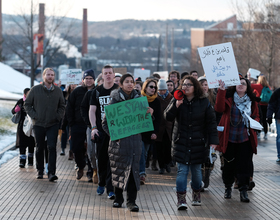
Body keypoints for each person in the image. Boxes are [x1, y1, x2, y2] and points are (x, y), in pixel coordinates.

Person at [164, 75, 218, 210]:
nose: (185, 87)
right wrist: (176, 106)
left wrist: (213, 141)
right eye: (184, 84)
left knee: (196, 172)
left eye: (189, 85)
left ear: (195, 87)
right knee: (182, 171)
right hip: (180, 141)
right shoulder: (177, 98)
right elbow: (167, 117)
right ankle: (181, 200)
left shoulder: (204, 102)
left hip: (198, 142)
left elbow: (211, 122)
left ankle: (196, 195)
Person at [102, 74, 144, 212]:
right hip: (118, 144)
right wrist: (115, 136)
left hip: (135, 143)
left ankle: (132, 201)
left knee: (133, 173)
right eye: (127, 82)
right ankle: (118, 199)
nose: (130, 84)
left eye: (132, 82)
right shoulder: (114, 99)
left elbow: (145, 122)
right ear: (121, 84)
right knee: (118, 171)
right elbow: (105, 123)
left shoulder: (139, 100)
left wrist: (149, 114)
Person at [215, 78, 259, 203]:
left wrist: (256, 123)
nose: (240, 85)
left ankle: (243, 191)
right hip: (229, 138)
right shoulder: (229, 98)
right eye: (238, 83)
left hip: (245, 138)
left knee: (244, 165)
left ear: (247, 87)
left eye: (243, 83)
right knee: (228, 165)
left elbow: (256, 115)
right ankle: (228, 188)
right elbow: (218, 108)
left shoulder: (251, 101)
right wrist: (221, 90)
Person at [24, 68, 65, 181]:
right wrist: (34, 115)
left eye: (52, 75)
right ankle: (40, 171)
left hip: (53, 124)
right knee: (40, 147)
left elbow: (62, 105)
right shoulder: (35, 90)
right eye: (48, 75)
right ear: (43, 76)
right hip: (39, 123)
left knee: (51, 147)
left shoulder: (57, 91)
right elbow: (27, 104)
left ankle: (51, 172)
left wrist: (58, 116)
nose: (50, 76)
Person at [89, 65, 119, 199]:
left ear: (113, 75)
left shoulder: (119, 91)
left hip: (116, 131)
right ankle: (101, 182)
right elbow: (92, 111)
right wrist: (94, 127)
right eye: (105, 73)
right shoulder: (96, 91)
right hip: (101, 131)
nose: (108, 75)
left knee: (113, 161)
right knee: (101, 159)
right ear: (102, 75)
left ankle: (110, 188)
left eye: (110, 73)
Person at [66, 69, 95, 181]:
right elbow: (69, 107)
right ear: (83, 79)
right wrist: (71, 122)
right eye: (86, 78)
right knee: (76, 148)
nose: (88, 81)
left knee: (91, 150)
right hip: (77, 124)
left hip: (91, 124)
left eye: (90, 78)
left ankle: (91, 171)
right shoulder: (77, 92)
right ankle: (81, 166)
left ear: (94, 80)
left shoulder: (97, 91)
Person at [139, 79, 161, 184]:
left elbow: (159, 119)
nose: (153, 89)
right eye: (151, 87)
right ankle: (141, 173)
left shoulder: (156, 101)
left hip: (149, 132)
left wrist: (155, 132)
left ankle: (140, 172)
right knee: (141, 151)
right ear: (145, 88)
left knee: (145, 153)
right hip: (139, 131)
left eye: (155, 87)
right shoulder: (139, 99)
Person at [198, 76, 218, 190]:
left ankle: (206, 176)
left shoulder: (213, 97)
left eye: (206, 84)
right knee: (200, 157)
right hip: (199, 132)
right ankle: (199, 179)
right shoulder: (196, 98)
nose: (204, 87)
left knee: (209, 158)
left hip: (210, 131)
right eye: (202, 84)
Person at [12, 88, 35, 168]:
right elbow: (13, 111)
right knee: (22, 144)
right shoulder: (21, 101)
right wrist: (16, 109)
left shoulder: (34, 101)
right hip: (22, 126)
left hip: (31, 126)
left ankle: (30, 161)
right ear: (25, 94)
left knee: (31, 143)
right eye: (28, 93)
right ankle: (22, 161)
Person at [155, 79, 173, 174]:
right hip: (159, 128)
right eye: (160, 90)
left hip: (169, 127)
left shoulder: (171, 98)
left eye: (163, 90)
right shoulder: (156, 99)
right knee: (159, 148)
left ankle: (167, 164)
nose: (162, 92)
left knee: (168, 147)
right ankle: (161, 166)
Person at [251, 75, 271, 140]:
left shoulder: (258, 86)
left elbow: (249, 85)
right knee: (265, 120)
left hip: (259, 105)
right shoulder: (268, 87)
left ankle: (259, 133)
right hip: (266, 105)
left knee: (259, 119)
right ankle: (265, 134)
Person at [60, 84, 76, 158]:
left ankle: (71, 151)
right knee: (64, 134)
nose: (73, 85)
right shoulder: (65, 94)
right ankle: (63, 149)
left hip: (74, 119)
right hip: (65, 117)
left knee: (71, 135)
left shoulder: (77, 93)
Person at [267, 87, 280, 162]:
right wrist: (269, 116)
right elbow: (271, 104)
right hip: (279, 118)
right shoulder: (277, 92)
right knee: (279, 137)